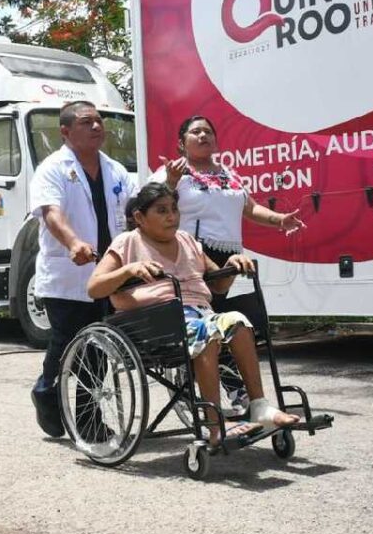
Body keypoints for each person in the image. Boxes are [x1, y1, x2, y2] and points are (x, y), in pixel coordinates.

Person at [87, 183, 300, 446]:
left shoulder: (188, 240)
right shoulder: (127, 242)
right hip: (156, 322)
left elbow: (217, 284)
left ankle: (259, 406)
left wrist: (231, 266)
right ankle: (214, 425)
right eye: (162, 210)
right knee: (207, 333)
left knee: (238, 322)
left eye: (174, 209)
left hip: (200, 313)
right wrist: (129, 271)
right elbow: (94, 287)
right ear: (140, 218)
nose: (171, 216)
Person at [152, 115, 306, 412]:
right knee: (217, 324)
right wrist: (170, 181)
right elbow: (150, 208)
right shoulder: (172, 173)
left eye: (208, 131)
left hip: (230, 259)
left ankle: (238, 393)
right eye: (195, 132)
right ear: (181, 142)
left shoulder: (227, 173)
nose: (203, 136)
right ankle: (238, 394)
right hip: (193, 256)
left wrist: (279, 220)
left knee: (232, 322)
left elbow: (249, 207)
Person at [29, 100, 139, 438]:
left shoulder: (115, 170)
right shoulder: (52, 169)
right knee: (65, 343)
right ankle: (47, 389)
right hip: (69, 273)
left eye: (99, 121)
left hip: (109, 273)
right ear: (65, 131)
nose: (96, 127)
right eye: (86, 122)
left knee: (99, 349)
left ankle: (90, 423)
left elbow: (136, 209)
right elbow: (51, 214)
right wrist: (74, 243)